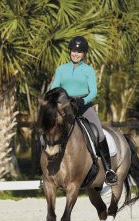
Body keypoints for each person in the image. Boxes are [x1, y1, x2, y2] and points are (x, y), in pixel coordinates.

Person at [49, 36, 118, 185]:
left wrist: (83, 101)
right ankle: (48, 170)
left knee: (99, 133)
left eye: (79, 52)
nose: (76, 54)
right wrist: (52, 97)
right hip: (64, 106)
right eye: (74, 51)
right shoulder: (61, 69)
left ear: (84, 54)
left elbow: (93, 91)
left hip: (83, 106)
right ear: (70, 51)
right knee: (50, 130)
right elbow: (54, 87)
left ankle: (108, 170)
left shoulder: (88, 70)